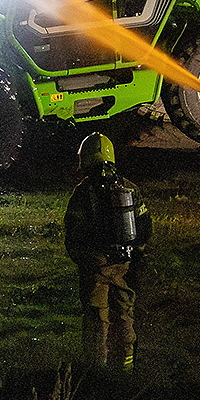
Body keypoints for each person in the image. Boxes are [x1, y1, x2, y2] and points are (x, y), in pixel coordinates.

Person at [63, 133, 152, 372]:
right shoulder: (129, 187)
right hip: (124, 263)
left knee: (96, 316)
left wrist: (83, 259)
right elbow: (144, 226)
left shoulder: (84, 191)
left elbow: (72, 230)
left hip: (96, 264)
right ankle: (125, 366)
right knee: (124, 311)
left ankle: (97, 369)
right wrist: (135, 255)